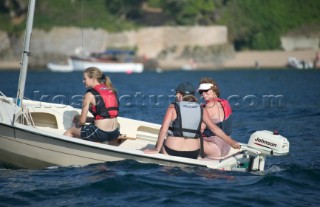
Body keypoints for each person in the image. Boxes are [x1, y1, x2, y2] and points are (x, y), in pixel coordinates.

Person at [144, 82, 240, 159]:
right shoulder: (201, 109)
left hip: (171, 151)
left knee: (163, 143)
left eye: (176, 93)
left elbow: (163, 129)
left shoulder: (173, 107)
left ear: (179, 95)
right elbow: (215, 129)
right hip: (192, 153)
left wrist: (156, 149)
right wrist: (231, 142)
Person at [64, 67, 120, 142]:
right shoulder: (111, 91)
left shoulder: (89, 95)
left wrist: (77, 118)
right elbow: (103, 117)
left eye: (85, 79)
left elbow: (82, 121)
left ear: (93, 79)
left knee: (71, 130)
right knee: (89, 128)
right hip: (115, 133)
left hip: (100, 133)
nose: (83, 81)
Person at [198, 77, 233, 158]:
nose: (203, 93)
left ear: (214, 90)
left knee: (184, 140)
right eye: (201, 91)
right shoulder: (225, 103)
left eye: (206, 90)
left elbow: (200, 129)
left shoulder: (209, 106)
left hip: (214, 146)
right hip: (226, 147)